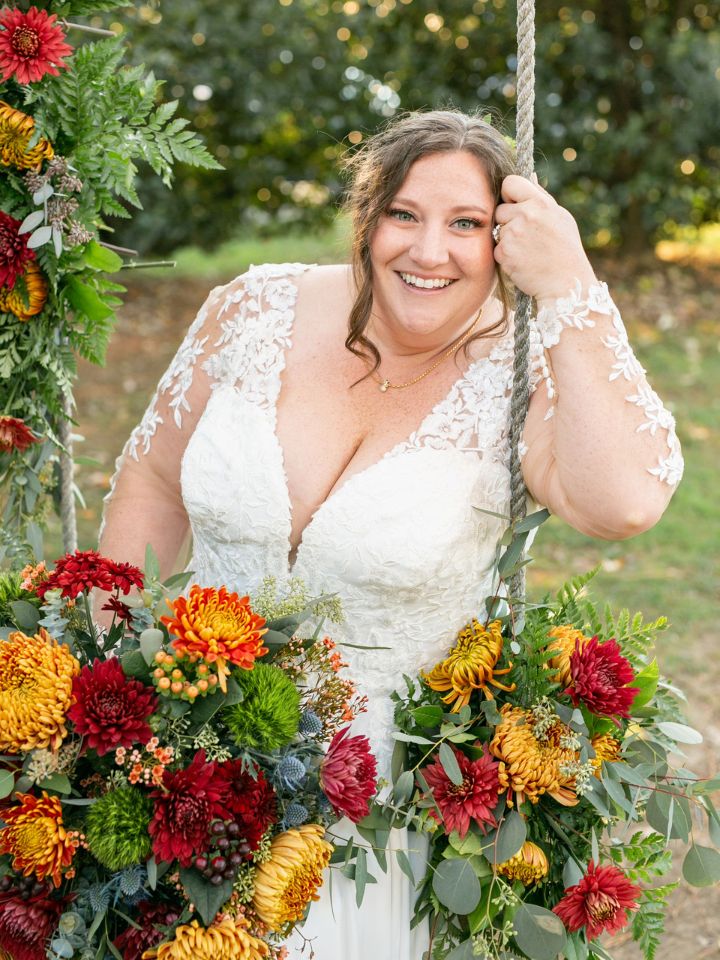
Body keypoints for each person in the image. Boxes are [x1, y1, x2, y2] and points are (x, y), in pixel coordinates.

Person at [99, 110, 682, 959]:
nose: (428, 251)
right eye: (403, 214)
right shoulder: (257, 304)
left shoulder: (523, 374)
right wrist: (107, 674)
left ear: (506, 242)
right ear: (367, 220)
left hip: (370, 818)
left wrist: (570, 289)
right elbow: (151, 482)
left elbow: (623, 503)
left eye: (467, 225)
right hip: (181, 762)